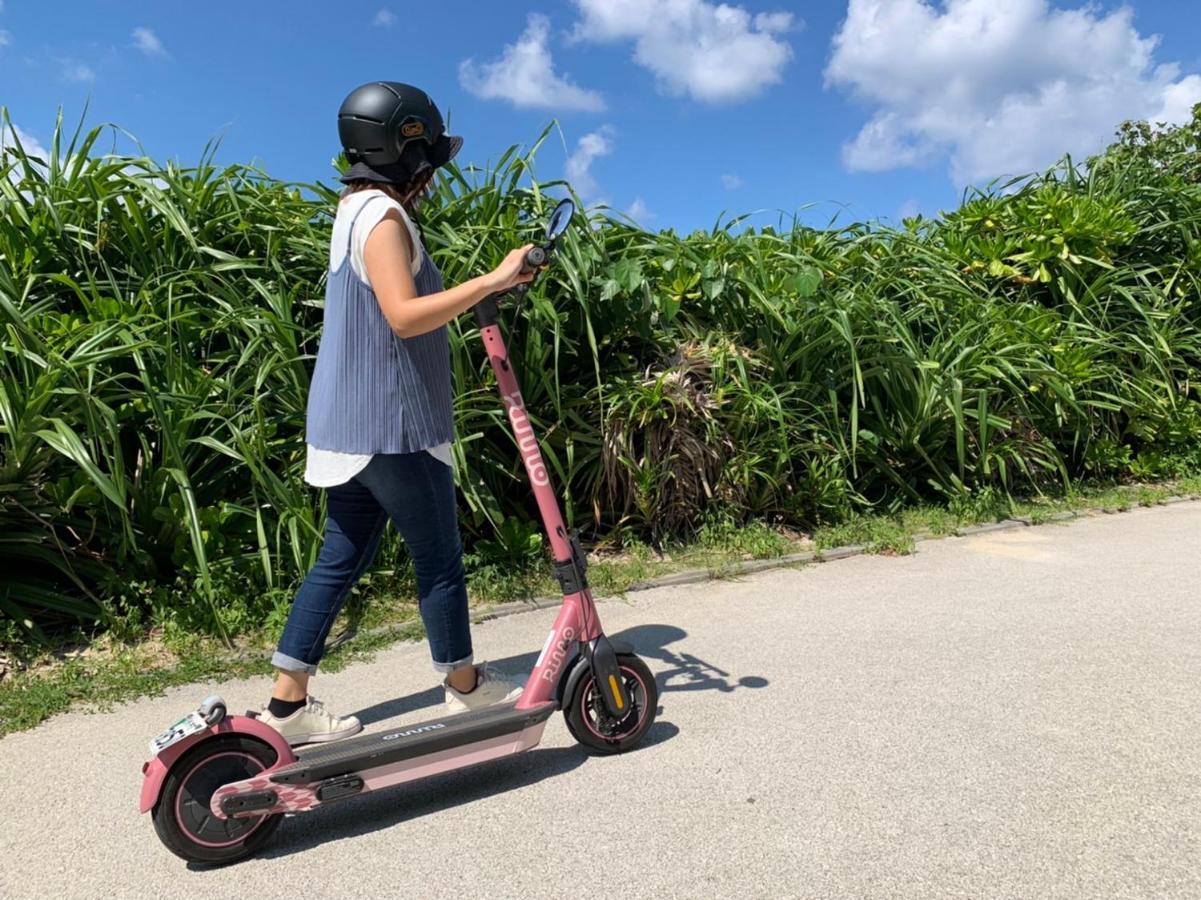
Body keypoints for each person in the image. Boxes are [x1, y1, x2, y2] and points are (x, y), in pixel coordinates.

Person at [259, 82, 535, 745]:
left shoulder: (351, 210)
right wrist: (493, 280)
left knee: (340, 557)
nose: (433, 175)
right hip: (391, 425)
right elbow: (404, 317)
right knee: (438, 557)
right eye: (430, 161)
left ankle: (288, 705)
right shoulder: (382, 218)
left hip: (349, 425)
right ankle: (465, 687)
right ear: (407, 153)